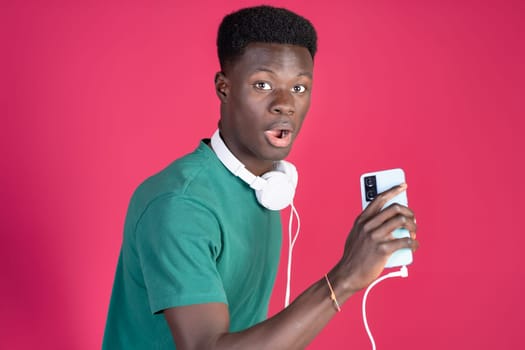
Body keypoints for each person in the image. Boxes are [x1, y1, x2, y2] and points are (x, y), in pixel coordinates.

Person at [102, 5, 419, 349]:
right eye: (263, 84)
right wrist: (344, 279)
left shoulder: (265, 188)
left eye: (299, 88)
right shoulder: (179, 205)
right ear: (224, 88)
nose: (284, 104)